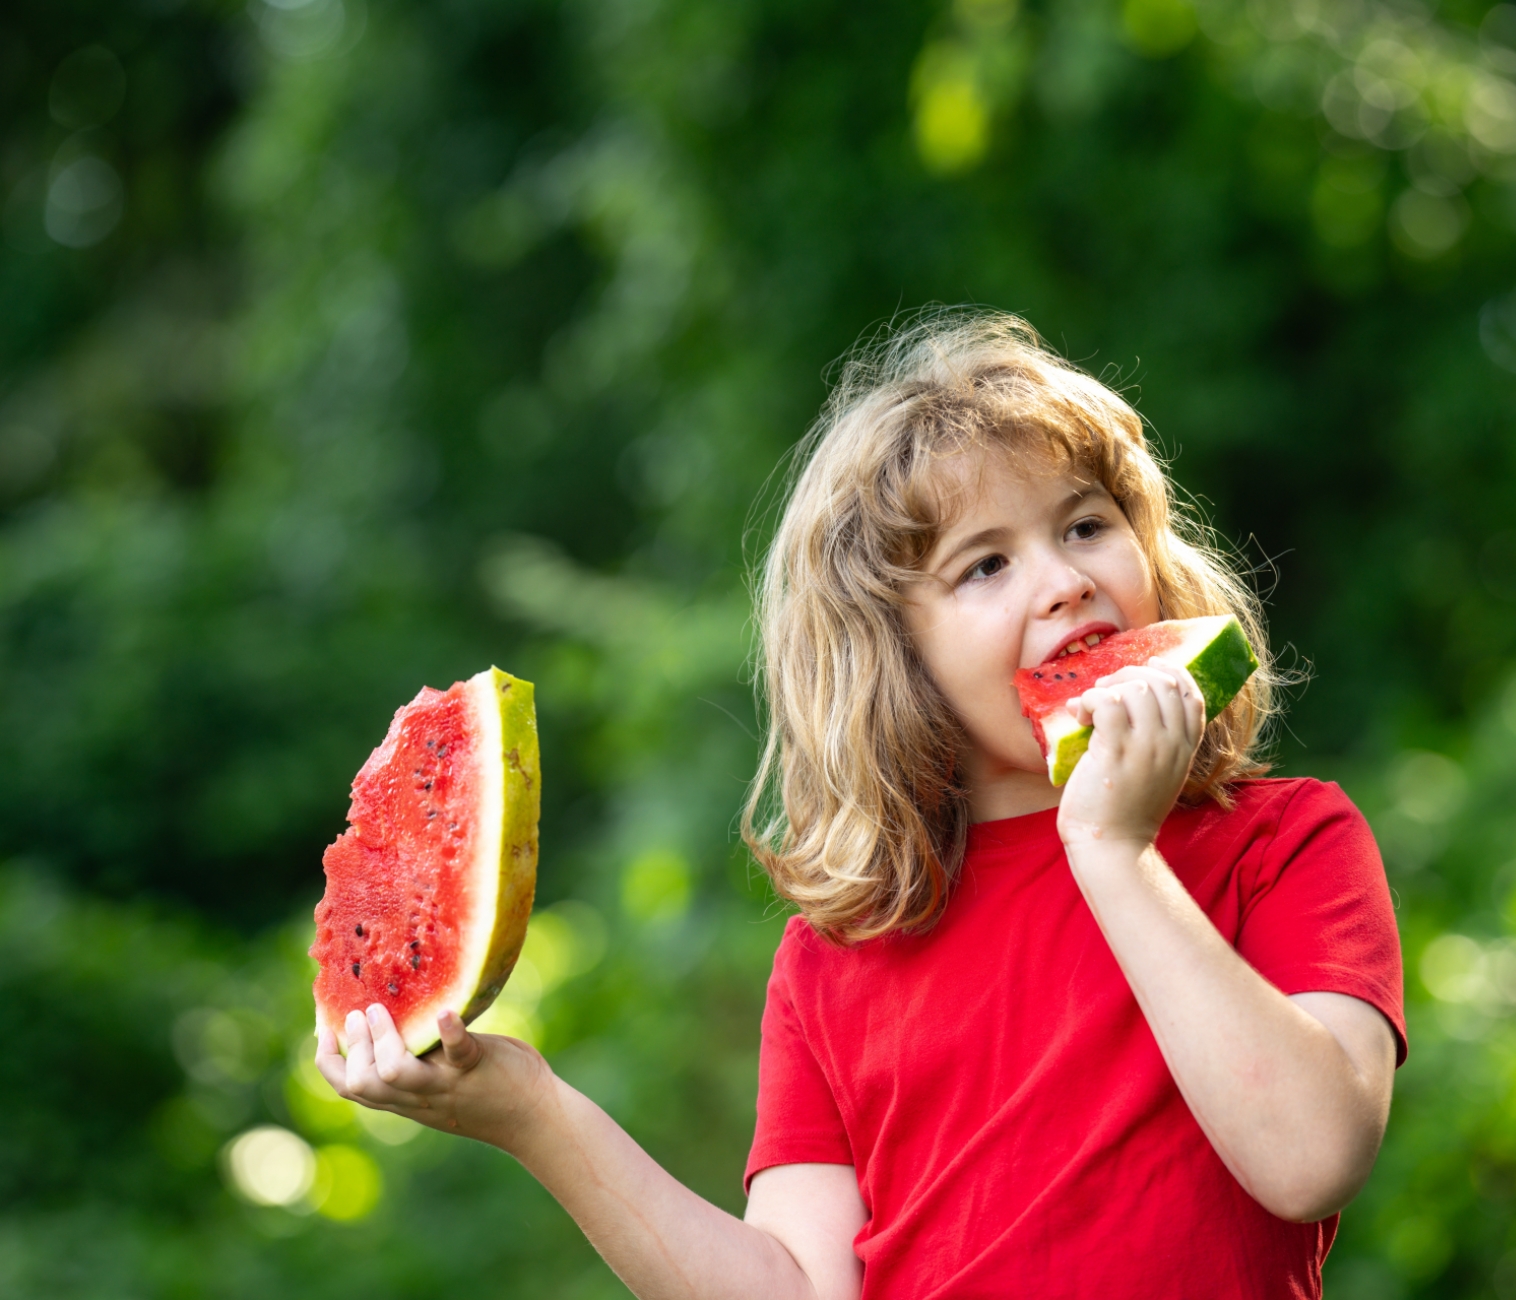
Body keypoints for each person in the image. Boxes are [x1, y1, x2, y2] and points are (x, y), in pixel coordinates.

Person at [316, 310, 1405, 1300]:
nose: (1063, 580)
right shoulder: (838, 959)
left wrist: (1116, 850)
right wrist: (537, 1116)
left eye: (1085, 526)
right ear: (899, 659)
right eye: (984, 565)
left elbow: (1310, 1159)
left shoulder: (1287, 840)